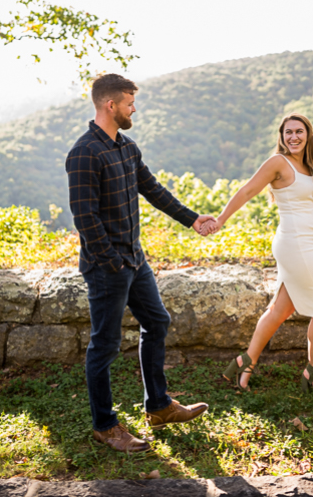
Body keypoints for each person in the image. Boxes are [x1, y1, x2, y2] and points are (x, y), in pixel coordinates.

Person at [66, 73, 218, 453]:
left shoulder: (127, 147)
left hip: (136, 259)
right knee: (105, 345)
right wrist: (113, 263)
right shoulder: (84, 153)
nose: (135, 108)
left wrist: (192, 218)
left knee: (157, 322)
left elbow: (152, 189)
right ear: (109, 105)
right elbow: (85, 218)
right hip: (109, 267)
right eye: (130, 102)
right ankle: (105, 426)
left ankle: (159, 407)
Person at [209, 112, 313, 398]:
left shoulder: (308, 164)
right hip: (295, 245)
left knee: (279, 311)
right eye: (288, 132)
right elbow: (248, 191)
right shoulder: (278, 163)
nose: (294, 137)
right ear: (281, 137)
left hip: (302, 243)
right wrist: (221, 220)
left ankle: (245, 361)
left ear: (308, 135)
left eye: (299, 132)